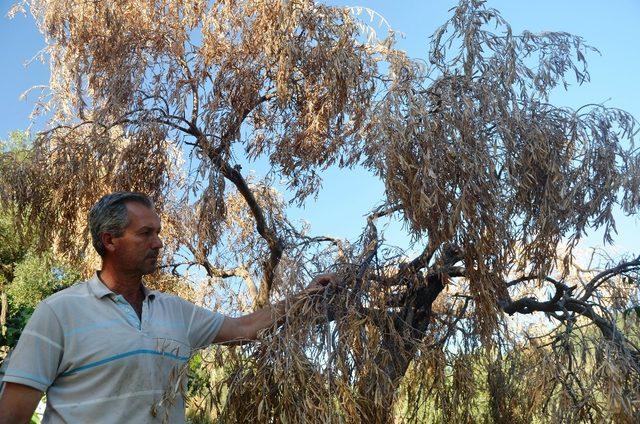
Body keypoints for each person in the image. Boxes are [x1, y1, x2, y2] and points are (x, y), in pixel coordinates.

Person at [0, 192, 335, 423]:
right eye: (146, 233)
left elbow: (244, 329)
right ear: (109, 240)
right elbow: (12, 414)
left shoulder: (176, 311)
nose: (158, 243)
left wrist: (306, 295)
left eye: (158, 232)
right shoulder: (58, 312)